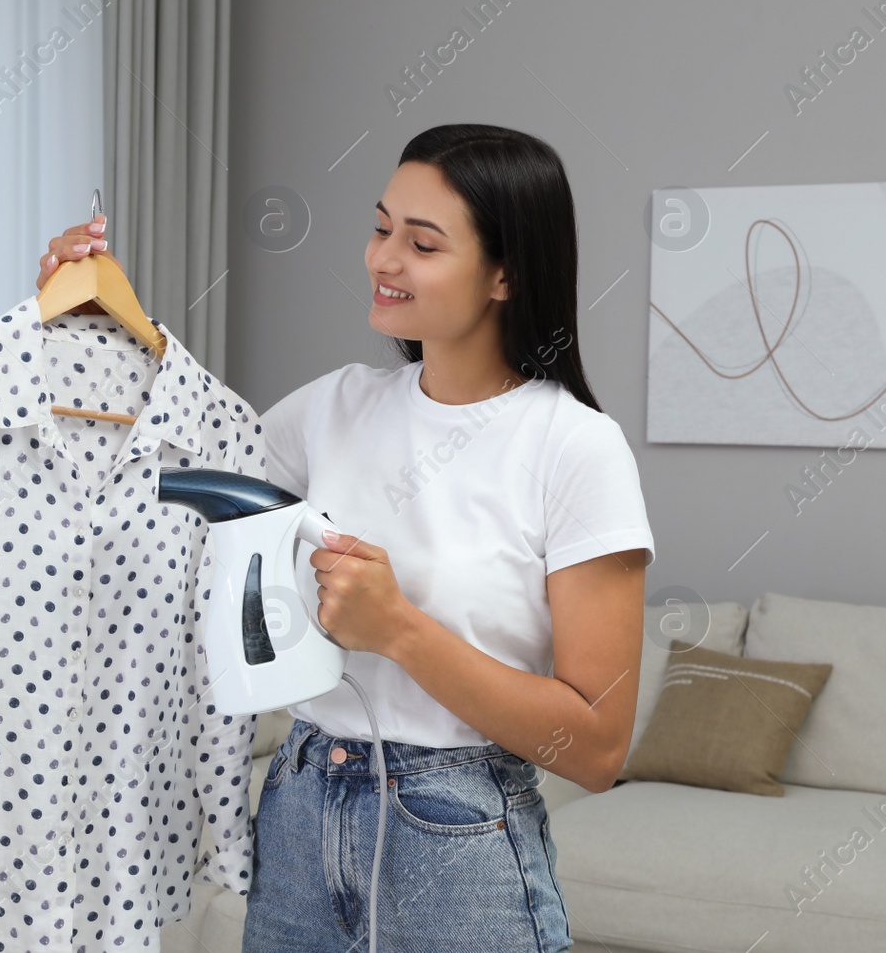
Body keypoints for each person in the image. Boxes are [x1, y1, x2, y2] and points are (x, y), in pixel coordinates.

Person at [34, 123, 656, 952]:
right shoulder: (333, 407)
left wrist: (400, 630)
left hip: (459, 839)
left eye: (423, 243)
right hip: (298, 810)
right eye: (381, 226)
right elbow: (141, 468)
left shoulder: (574, 447)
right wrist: (82, 325)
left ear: (505, 273)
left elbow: (596, 746)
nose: (383, 259)